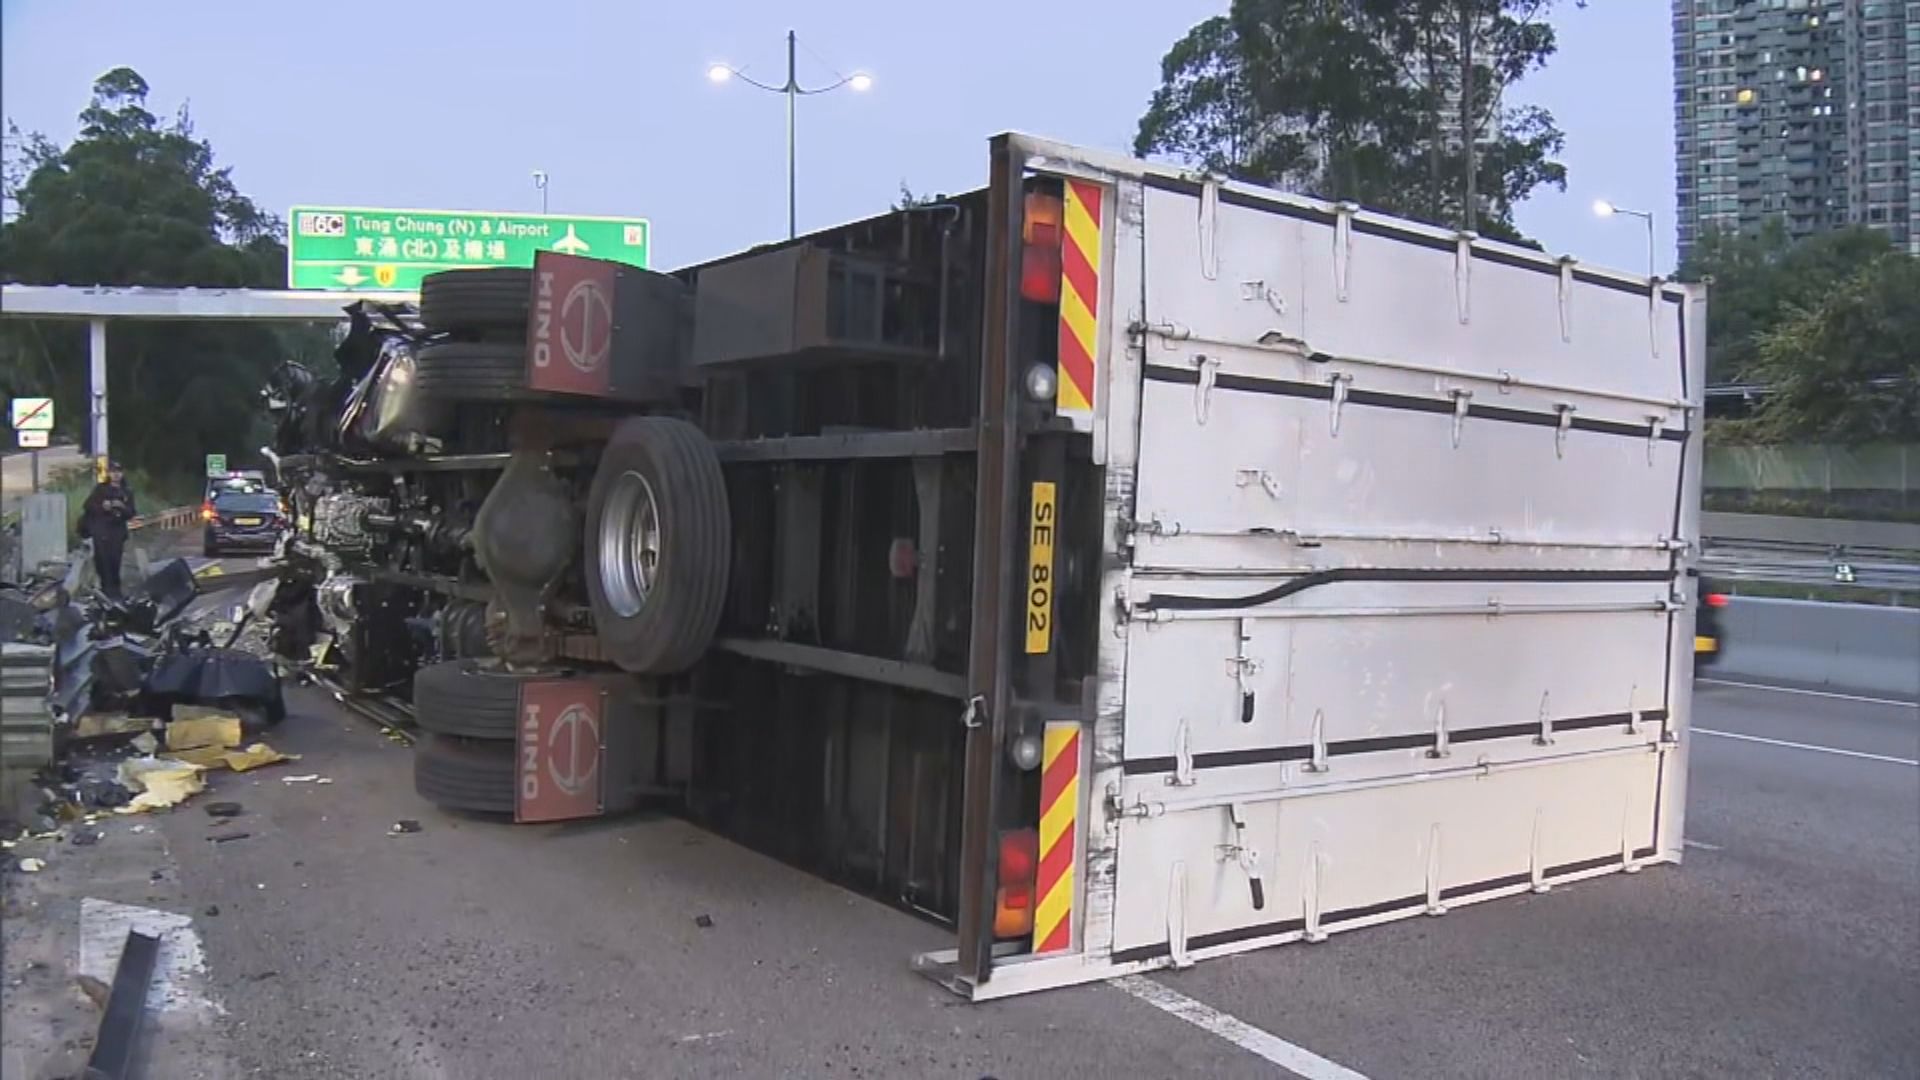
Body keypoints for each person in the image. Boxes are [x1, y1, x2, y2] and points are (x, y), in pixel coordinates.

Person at [79, 461, 136, 598]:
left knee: (115, 561)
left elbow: (132, 513)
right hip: (101, 531)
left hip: (117, 532)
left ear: (122, 474)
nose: (116, 475)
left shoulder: (127, 491)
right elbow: (87, 506)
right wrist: (103, 506)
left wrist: (121, 507)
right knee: (102, 562)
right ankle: (105, 591)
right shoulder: (101, 489)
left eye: (118, 472)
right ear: (109, 474)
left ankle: (116, 592)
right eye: (113, 472)